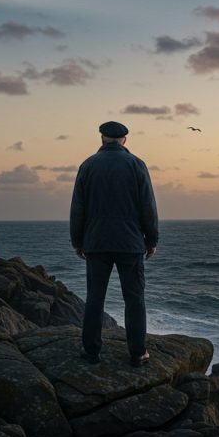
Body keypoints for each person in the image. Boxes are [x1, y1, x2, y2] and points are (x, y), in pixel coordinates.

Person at [70, 121, 159, 367]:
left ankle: (91, 351)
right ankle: (138, 353)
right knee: (134, 299)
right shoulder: (136, 165)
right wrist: (151, 240)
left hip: (96, 243)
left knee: (95, 298)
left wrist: (78, 241)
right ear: (124, 140)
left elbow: (78, 208)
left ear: (102, 139)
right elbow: (147, 207)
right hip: (130, 244)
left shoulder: (87, 166)